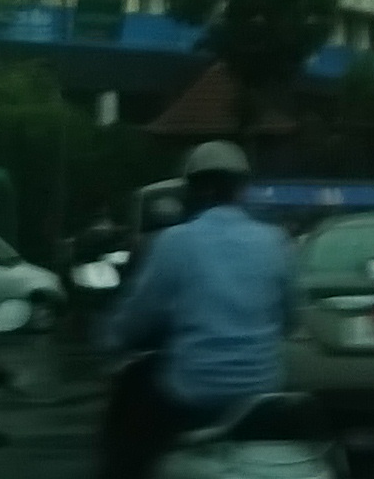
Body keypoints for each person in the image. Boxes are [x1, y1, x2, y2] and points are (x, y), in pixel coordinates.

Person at [100, 140, 292, 479]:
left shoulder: (175, 242)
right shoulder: (275, 241)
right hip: (263, 394)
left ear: (193, 190)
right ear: (242, 188)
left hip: (192, 397)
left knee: (125, 436)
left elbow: (136, 318)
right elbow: (292, 318)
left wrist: (110, 339)